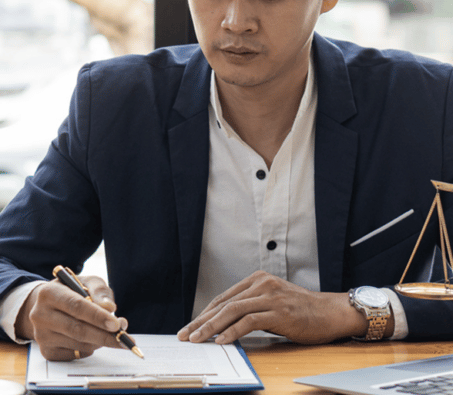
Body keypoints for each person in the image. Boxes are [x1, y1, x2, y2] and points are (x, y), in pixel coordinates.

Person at [0, 0, 453, 361]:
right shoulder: (116, 102)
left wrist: (352, 311)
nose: (236, 21)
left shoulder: (426, 103)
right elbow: (8, 259)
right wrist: (31, 306)